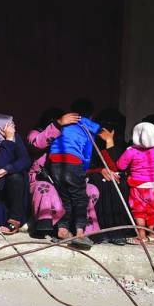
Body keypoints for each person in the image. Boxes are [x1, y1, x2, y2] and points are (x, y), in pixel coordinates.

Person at [27, 107, 100, 241]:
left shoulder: (68, 135)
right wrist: (57, 126)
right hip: (43, 178)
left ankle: (85, 230)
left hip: (65, 177)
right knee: (46, 190)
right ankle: (49, 226)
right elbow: (37, 144)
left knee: (89, 191)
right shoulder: (36, 133)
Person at [46, 99, 100, 248]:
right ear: (91, 114)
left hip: (55, 162)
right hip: (73, 162)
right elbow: (87, 153)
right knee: (80, 198)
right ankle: (80, 233)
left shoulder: (64, 122)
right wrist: (83, 169)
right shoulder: (88, 126)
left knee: (65, 198)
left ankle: (62, 230)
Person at [114, 122, 154, 244]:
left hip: (138, 186)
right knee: (152, 211)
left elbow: (120, 165)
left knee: (139, 211)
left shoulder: (131, 151)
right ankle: (152, 236)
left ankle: (141, 236)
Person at [88, 109, 133, 245]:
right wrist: (99, 170)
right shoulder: (90, 145)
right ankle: (102, 231)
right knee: (99, 181)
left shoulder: (127, 148)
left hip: (117, 180)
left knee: (118, 183)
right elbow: (84, 168)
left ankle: (117, 233)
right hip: (96, 177)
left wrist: (109, 142)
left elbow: (117, 168)